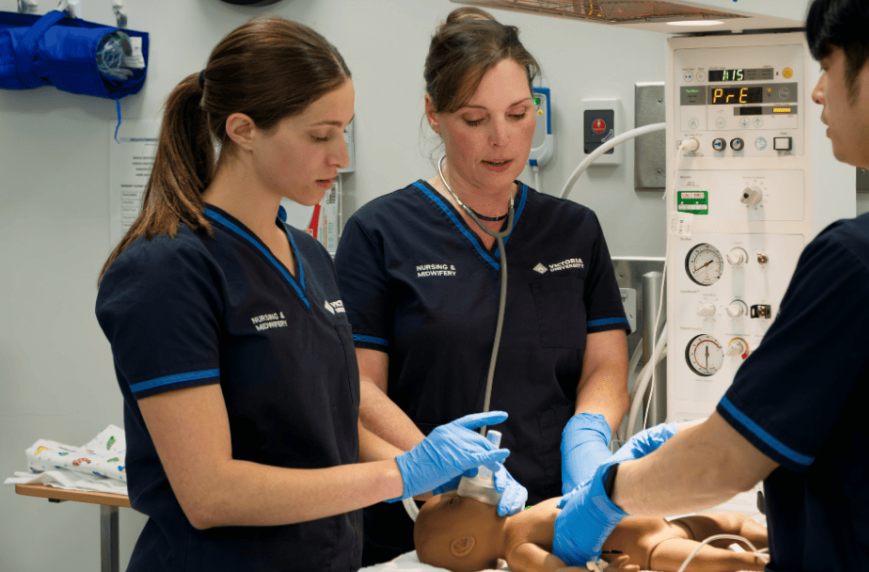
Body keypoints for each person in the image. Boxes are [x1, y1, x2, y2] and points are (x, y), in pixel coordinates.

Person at [552, 1, 869, 571]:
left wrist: (606, 493)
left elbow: (726, 465)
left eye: (827, 64)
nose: (818, 92)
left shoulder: (863, 259)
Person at [95, 17, 514, 572]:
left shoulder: (308, 254)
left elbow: (332, 420)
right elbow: (209, 493)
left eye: (345, 130)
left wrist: (435, 469)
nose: (340, 156)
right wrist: (401, 474)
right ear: (242, 130)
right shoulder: (166, 270)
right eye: (320, 135)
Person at [333, 7, 632, 565]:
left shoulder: (574, 230)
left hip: (552, 522)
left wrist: (587, 437)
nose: (501, 139)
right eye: (475, 120)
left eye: (519, 114)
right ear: (434, 114)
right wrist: (435, 466)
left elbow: (606, 368)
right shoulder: (380, 233)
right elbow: (356, 390)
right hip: (422, 527)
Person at [415, 490, 768, 572]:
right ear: (463, 544)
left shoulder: (520, 513)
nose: (463, 490)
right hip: (647, 544)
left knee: (731, 523)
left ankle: (772, 536)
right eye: (454, 502)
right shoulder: (517, 547)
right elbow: (558, 571)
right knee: (704, 557)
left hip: (658, 519)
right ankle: (757, 562)